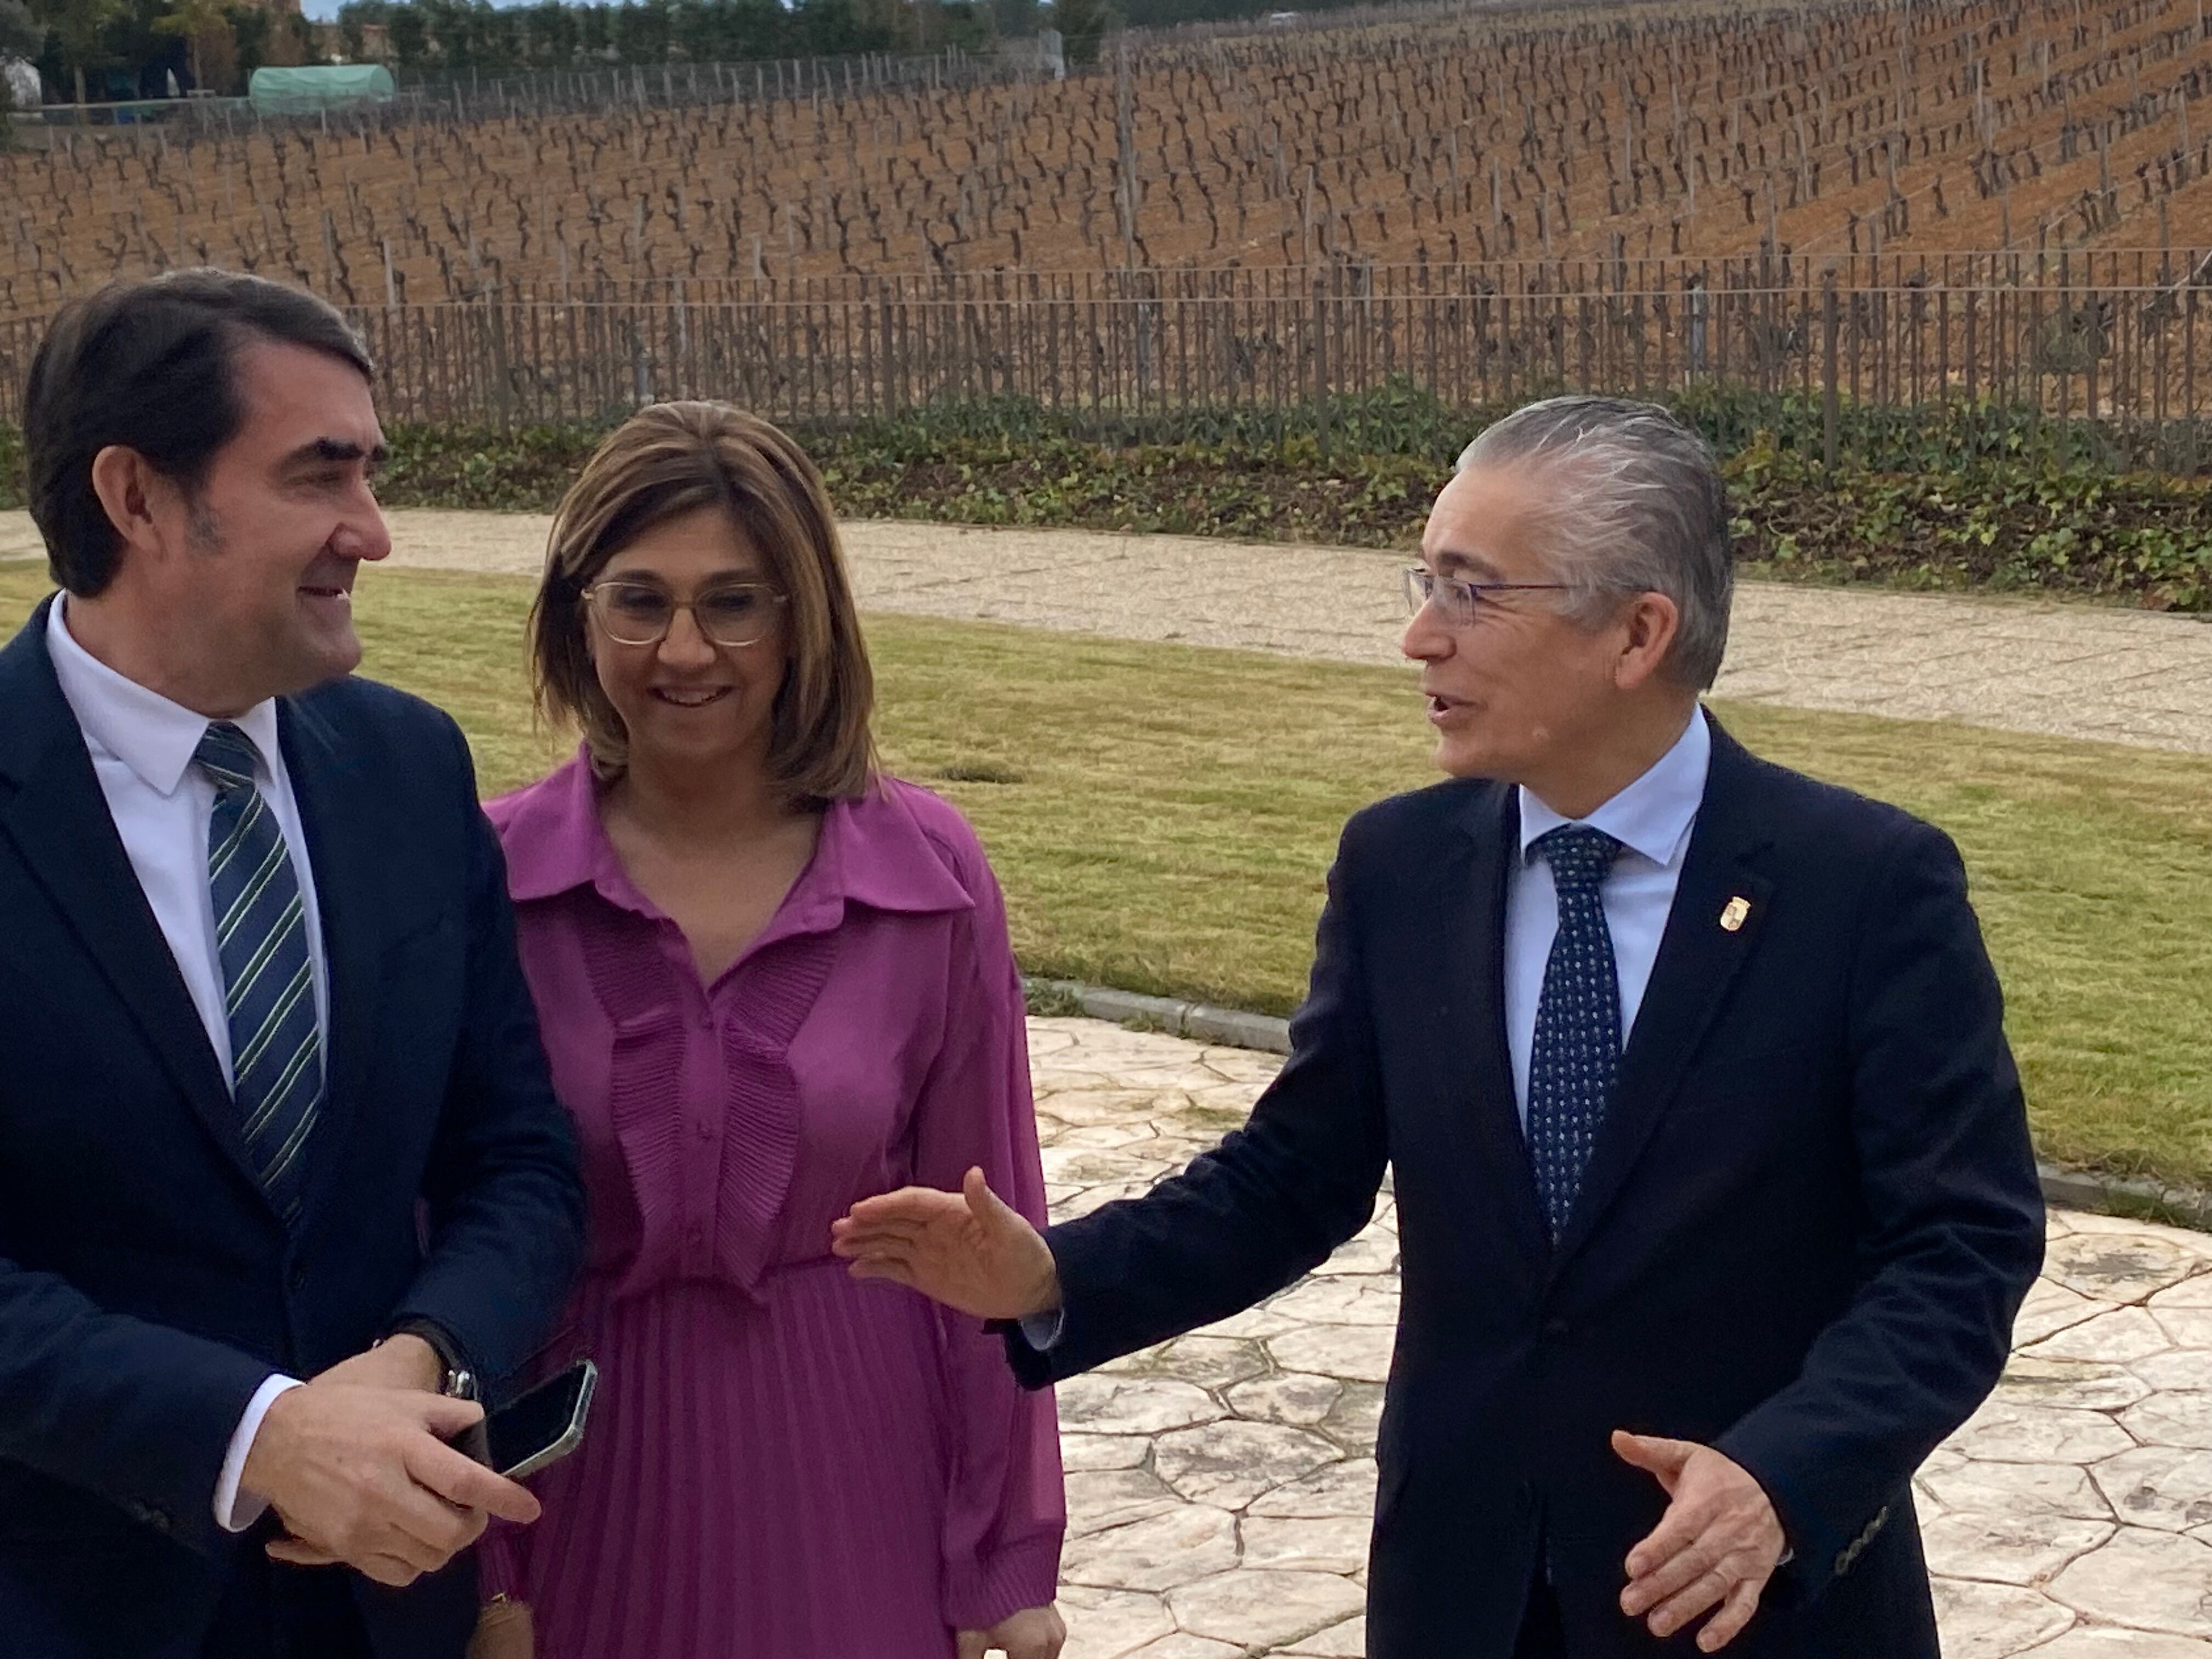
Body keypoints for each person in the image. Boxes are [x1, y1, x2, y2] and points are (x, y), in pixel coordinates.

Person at [834, 397, 2046, 1658]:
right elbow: (1295, 1178)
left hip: (1751, 1605)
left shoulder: (1861, 884)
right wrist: (1054, 1280)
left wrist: (1787, 1480)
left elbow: (1962, 1246)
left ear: (1638, 633)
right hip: (1465, 1594)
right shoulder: (1400, 866)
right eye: (1426, 583)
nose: (1420, 639)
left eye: (1473, 594)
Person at [0, 267, 586, 1659]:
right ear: (137, 497)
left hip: (385, 1613)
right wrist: (260, 1438)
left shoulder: (408, 766)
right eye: (322, 476)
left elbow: (518, 1159)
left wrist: (415, 1365)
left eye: (372, 473)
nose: (372, 532)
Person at [477, 401, 1065, 1659]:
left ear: (802, 619)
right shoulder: (487, 879)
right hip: (567, 1486)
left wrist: (1000, 1561)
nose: (683, 651)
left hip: (858, 1465)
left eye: (733, 603)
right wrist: (483, 1572)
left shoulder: (929, 875)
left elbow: (990, 1234)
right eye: (639, 600)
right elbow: (430, 1228)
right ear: (578, 615)